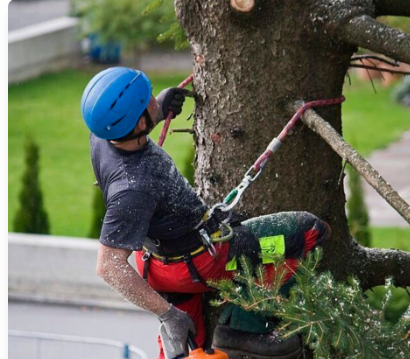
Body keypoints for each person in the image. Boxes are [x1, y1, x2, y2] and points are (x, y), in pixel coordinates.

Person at [82, 67, 331, 359]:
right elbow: (109, 266)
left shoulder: (102, 135)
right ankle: (244, 329)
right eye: (147, 100)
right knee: (308, 232)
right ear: (138, 123)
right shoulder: (133, 188)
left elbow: (131, 121)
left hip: (159, 266)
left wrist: (159, 109)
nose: (152, 98)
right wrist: (167, 314)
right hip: (204, 262)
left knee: (188, 349)